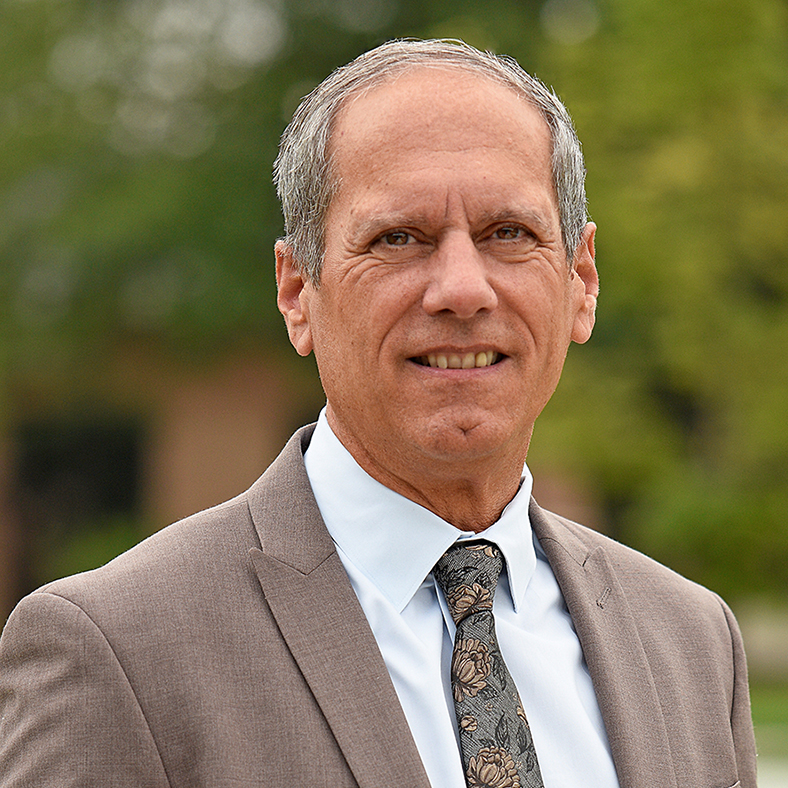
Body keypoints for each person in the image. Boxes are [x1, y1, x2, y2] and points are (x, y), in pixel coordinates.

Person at [0, 39, 756, 788]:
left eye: (509, 234)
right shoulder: (119, 652)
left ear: (581, 281)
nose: (463, 288)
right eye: (399, 238)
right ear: (298, 291)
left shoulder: (690, 641)